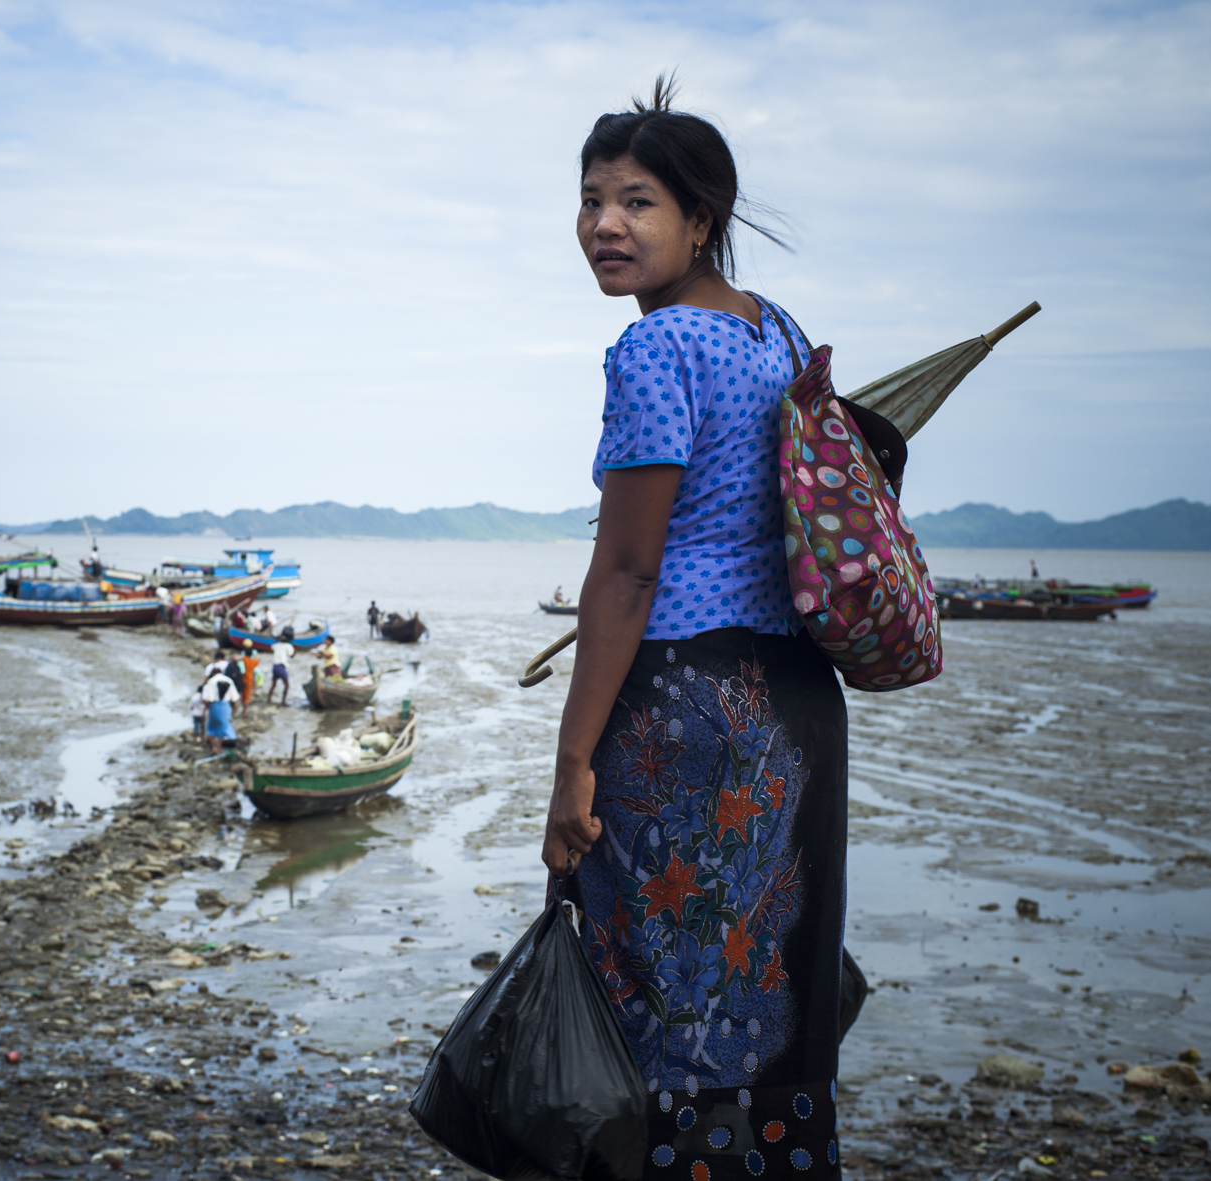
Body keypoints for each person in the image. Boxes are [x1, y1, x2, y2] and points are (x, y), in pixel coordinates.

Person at [541, 76, 844, 1179]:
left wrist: (571, 760)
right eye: (588, 200)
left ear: (699, 220)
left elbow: (625, 572)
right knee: (765, 982)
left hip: (682, 707)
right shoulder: (780, 334)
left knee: (651, 988)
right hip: (796, 703)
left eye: (636, 202)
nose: (603, 226)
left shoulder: (656, 348)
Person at [199, 667, 239, 754]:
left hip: (214, 706)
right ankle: (219, 747)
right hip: (225, 706)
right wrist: (234, 707)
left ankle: (213, 747)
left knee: (211, 729)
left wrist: (205, 711)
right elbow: (233, 698)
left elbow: (207, 699)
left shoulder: (211, 681)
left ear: (212, 674)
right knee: (223, 727)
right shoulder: (229, 680)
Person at [267, 627, 295, 705]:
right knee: (286, 685)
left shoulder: (276, 645)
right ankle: (283, 701)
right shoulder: (289, 646)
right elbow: (292, 656)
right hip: (281, 666)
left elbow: (272, 647)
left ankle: (268, 700)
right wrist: (296, 649)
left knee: (273, 684)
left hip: (275, 666)